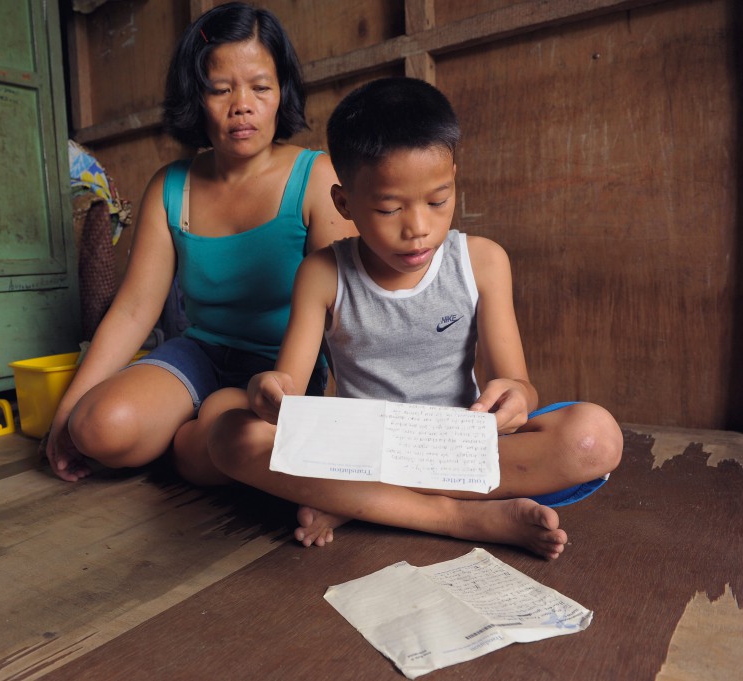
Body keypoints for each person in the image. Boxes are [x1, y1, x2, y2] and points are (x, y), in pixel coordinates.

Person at [208, 77, 623, 560]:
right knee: (230, 433)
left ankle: (363, 504)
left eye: (438, 200)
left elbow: (517, 384)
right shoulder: (322, 273)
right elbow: (290, 390)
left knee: (594, 438)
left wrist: (513, 398)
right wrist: (269, 392)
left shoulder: (483, 261)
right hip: (360, 452)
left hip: (454, 449)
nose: (418, 228)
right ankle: (456, 517)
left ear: (454, 181)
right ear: (344, 204)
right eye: (389, 208)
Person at [44, 3, 355, 483]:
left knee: (222, 438)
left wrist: (345, 420)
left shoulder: (316, 178)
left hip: (282, 374)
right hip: (200, 354)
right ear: (196, 96)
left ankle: (193, 438)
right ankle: (194, 437)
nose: (242, 105)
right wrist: (65, 415)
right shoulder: (171, 186)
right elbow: (132, 312)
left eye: (260, 87)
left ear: (282, 92)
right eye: (220, 89)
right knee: (97, 429)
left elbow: (347, 312)